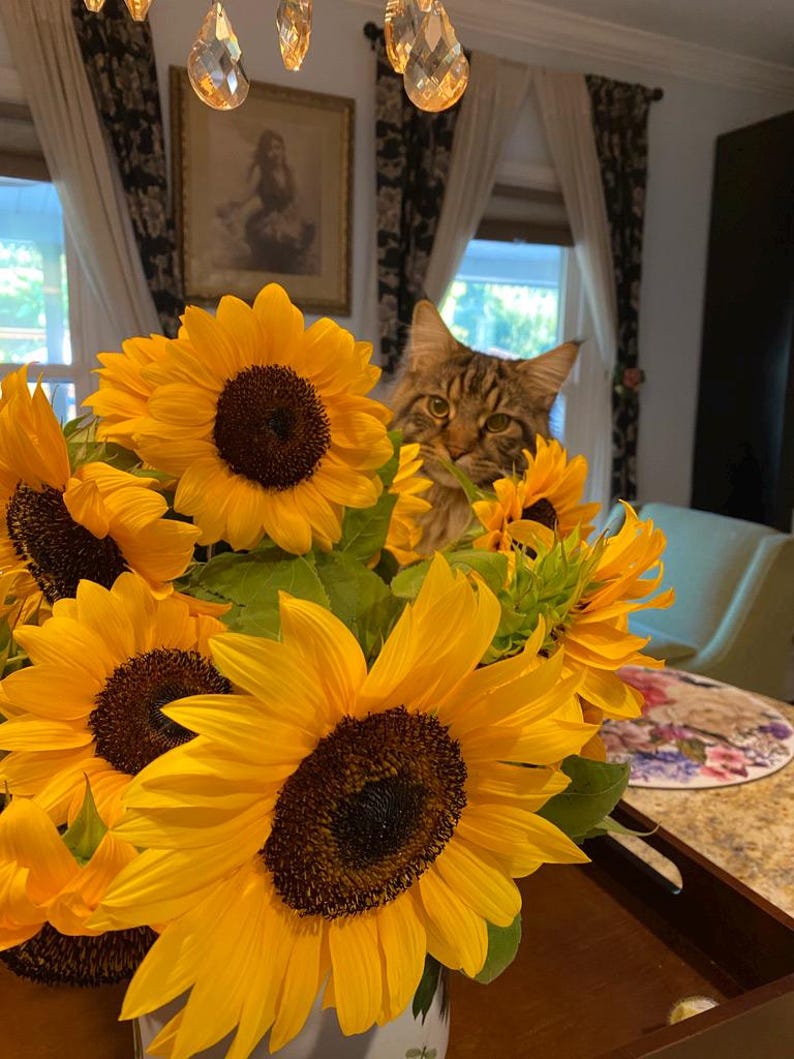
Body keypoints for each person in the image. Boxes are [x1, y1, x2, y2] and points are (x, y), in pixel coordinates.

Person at [217, 129, 316, 275]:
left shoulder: (290, 172)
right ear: (264, 153)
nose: (275, 153)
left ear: (283, 149)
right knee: (275, 246)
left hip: (285, 219)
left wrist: (293, 221)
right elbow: (245, 196)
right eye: (270, 149)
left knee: (306, 233)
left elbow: (298, 199)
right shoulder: (261, 171)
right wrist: (229, 206)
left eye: (278, 148)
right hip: (264, 222)